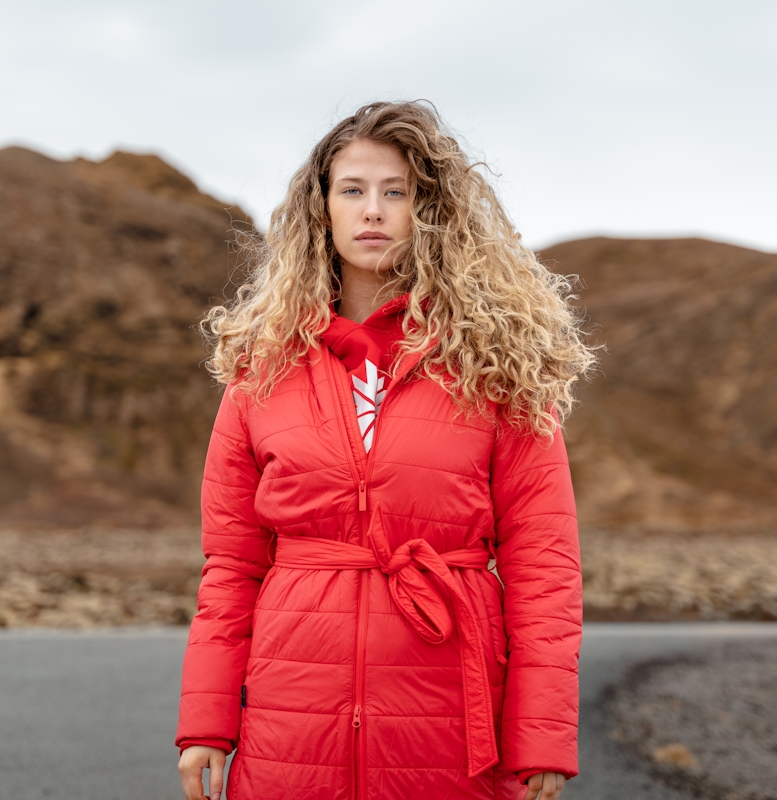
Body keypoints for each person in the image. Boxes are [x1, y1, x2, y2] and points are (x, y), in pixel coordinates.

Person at [176, 101, 595, 800]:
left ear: (429, 211)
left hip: (450, 727)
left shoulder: (497, 367)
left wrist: (542, 735)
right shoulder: (262, 371)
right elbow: (231, 569)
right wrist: (206, 725)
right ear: (322, 210)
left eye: (396, 191)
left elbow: (543, 567)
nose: (373, 210)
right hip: (291, 728)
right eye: (353, 189)